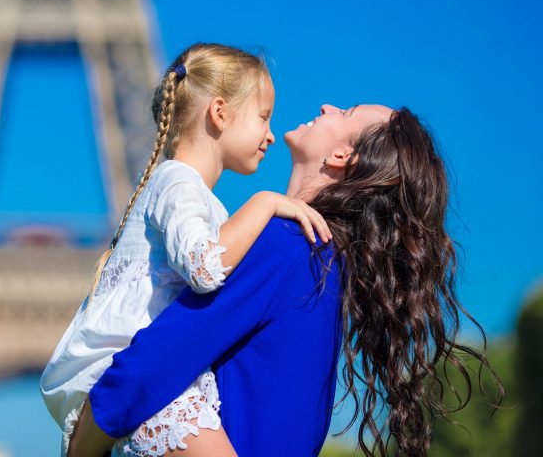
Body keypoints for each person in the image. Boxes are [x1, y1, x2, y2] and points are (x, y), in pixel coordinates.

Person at [69, 105, 502, 457]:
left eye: (345, 112)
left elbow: (159, 357)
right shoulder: (326, 266)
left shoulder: (291, 244)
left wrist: (81, 445)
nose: (327, 106)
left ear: (341, 157)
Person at [40, 43, 332, 456]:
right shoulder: (177, 181)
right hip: (140, 380)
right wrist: (265, 202)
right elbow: (204, 267)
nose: (271, 134)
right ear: (219, 112)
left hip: (154, 380)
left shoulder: (189, 193)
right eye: (264, 116)